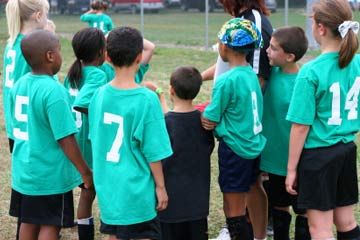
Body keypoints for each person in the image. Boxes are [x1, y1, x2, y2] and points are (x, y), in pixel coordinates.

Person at [88, 26, 172, 240]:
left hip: (108, 191)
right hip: (137, 193)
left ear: (107, 57)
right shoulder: (147, 99)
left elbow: (96, 140)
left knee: (114, 234)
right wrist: (161, 186)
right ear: (139, 57)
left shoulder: (97, 95)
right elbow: (154, 151)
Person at [285, 0, 360, 239]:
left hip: (319, 157)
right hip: (346, 150)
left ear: (320, 28)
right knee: (346, 222)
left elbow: (300, 127)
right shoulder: (357, 63)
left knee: (320, 229)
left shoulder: (311, 71)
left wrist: (291, 169)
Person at [8, 29, 93, 240]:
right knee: (50, 224)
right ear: (49, 56)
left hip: (24, 172)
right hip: (49, 176)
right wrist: (85, 171)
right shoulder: (53, 91)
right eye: (59, 50)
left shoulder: (18, 86)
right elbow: (66, 138)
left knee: (28, 220)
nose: (61, 55)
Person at [202, 2, 272, 238]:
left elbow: (211, 116)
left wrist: (207, 119)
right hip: (253, 145)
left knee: (233, 208)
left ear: (225, 46)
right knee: (253, 189)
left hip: (235, 148)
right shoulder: (253, 76)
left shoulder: (226, 80)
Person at [150, 66, 215, 240]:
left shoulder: (164, 124)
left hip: (169, 205)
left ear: (171, 89)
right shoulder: (204, 123)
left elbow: (156, 156)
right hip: (197, 206)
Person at [260, 26, 310, 240]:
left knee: (304, 210)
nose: (267, 51)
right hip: (273, 159)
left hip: (297, 161)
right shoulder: (270, 73)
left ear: (289, 56)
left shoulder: (304, 82)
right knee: (279, 206)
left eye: (273, 48)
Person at [63, 27, 106, 240]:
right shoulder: (98, 74)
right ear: (101, 53)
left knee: (86, 196)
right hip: (90, 147)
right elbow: (82, 103)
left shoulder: (72, 75)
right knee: (101, 194)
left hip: (74, 145)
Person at [3, 0, 49, 153]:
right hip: (27, 120)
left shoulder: (11, 43)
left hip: (13, 118)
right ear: (38, 16)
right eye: (46, 14)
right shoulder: (31, 47)